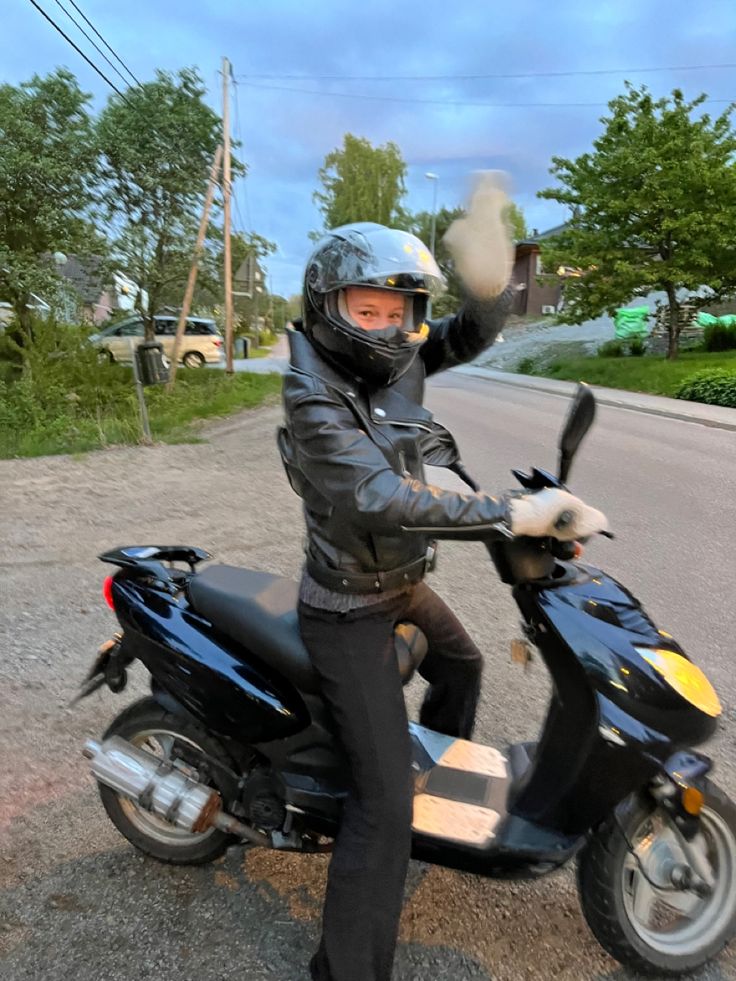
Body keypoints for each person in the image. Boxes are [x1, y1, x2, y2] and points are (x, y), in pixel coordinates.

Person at [278, 173, 608, 981]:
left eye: (400, 312)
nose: (390, 328)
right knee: (379, 805)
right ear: (329, 306)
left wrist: (493, 289)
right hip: (346, 607)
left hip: (397, 584)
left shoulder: (394, 364)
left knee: (463, 662)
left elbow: (464, 335)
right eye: (370, 310)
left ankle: (435, 801)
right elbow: (379, 495)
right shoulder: (312, 395)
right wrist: (510, 513)